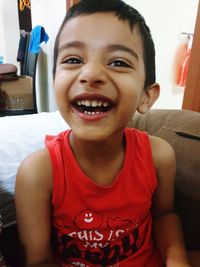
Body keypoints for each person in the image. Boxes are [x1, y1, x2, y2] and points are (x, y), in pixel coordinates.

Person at [15, 0, 191, 266]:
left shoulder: (159, 156)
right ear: (55, 83)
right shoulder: (38, 173)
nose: (91, 74)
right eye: (73, 59)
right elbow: (39, 259)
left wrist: (177, 259)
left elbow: (164, 215)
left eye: (118, 62)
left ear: (146, 96)